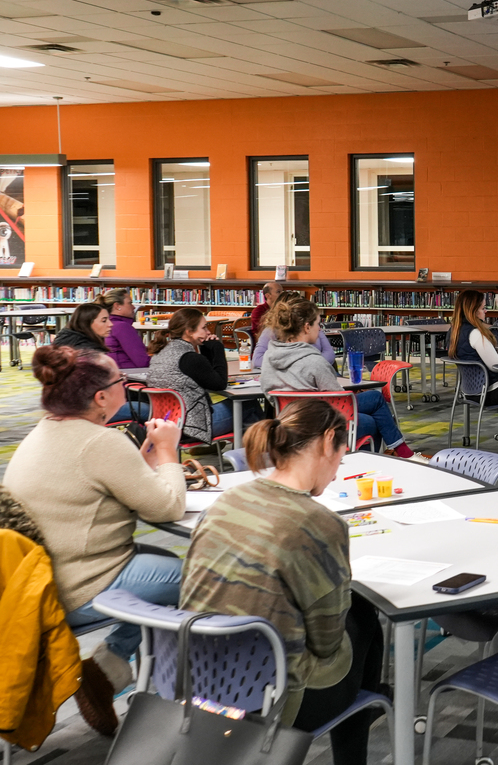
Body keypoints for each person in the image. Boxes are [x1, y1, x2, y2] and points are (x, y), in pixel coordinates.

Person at [181, 400, 383, 765]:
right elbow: (326, 643)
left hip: (198, 680)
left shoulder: (225, 500)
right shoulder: (320, 524)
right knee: (365, 617)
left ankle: (369, 704)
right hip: (271, 700)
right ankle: (356, 743)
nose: (338, 471)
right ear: (327, 442)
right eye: (341, 456)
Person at [3, 346, 186, 735]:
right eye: (121, 381)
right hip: (81, 584)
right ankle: (178, 697)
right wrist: (168, 451)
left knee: (160, 569)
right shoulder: (100, 443)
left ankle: (106, 671)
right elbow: (168, 507)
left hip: (39, 581)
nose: (126, 385)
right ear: (102, 397)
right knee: (198, 576)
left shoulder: (47, 430)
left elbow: (94, 487)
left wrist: (142, 462)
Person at [259, 297, 426, 461]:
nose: (320, 328)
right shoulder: (314, 361)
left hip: (289, 423)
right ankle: (378, 461)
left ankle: (390, 456)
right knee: (372, 419)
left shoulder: (269, 357)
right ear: (306, 327)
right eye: (318, 324)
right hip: (319, 426)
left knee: (374, 398)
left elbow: (268, 392)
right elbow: (340, 404)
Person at [147, 308, 261, 442]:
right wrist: (217, 348)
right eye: (204, 328)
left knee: (244, 412)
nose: (208, 332)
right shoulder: (189, 358)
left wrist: (205, 349)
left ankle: (246, 450)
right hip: (192, 427)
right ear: (189, 332)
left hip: (166, 422)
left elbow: (207, 378)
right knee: (249, 404)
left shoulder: (162, 352)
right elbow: (219, 384)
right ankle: (259, 451)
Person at [449, 288, 498, 406]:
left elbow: (471, 354)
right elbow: (496, 367)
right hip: (490, 392)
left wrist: (493, 352)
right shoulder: (476, 334)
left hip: (469, 391)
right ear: (474, 311)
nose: (485, 311)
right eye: (483, 308)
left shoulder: (454, 331)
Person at [251, 290, 336, 369]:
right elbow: (257, 360)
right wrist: (292, 365)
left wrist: (309, 364)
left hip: (314, 371)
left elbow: (330, 354)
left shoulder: (312, 327)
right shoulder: (271, 331)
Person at [97, 288, 149, 369]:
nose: (133, 307)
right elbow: (143, 361)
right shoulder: (121, 327)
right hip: (128, 377)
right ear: (117, 306)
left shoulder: (106, 324)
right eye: (130, 303)